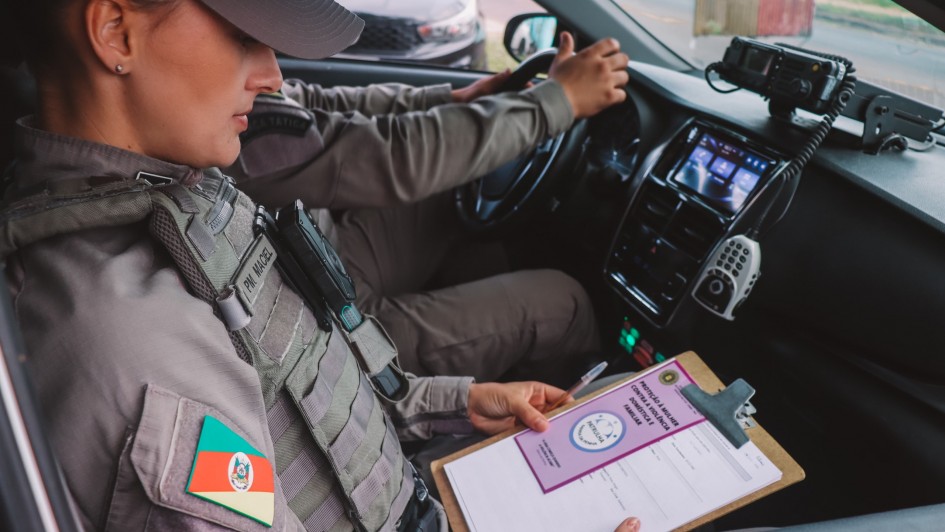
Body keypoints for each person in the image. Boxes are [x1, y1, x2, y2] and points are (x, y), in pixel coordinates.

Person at [1, 0, 636, 530]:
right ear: (116, 31)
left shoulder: (179, 192)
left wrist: (452, 404)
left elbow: (297, 392)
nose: (272, 73)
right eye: (245, 36)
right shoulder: (127, 338)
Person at [227, 35, 611, 385]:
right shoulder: (231, 138)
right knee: (565, 306)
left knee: (454, 200)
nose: (273, 72)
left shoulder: (229, 101)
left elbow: (307, 102)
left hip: (325, 255)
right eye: (241, 45)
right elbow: (390, 156)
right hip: (330, 330)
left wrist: (450, 101)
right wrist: (559, 101)